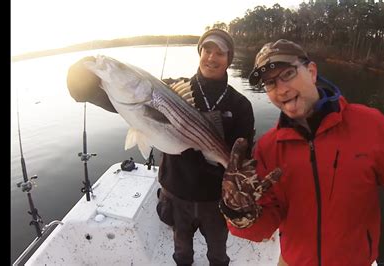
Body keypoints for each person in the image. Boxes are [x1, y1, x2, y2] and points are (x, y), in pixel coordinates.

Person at [218, 39, 384, 266]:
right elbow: (263, 227)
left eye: (287, 74)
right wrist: (239, 213)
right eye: (270, 83)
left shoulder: (370, 123)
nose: (281, 89)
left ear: (312, 71)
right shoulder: (268, 148)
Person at [66, 29, 255, 266]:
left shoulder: (240, 104)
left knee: (218, 254)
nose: (212, 57)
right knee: (181, 253)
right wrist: (81, 80)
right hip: (176, 193)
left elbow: (243, 153)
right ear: (200, 52)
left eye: (220, 52)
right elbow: (104, 98)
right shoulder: (170, 88)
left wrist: (237, 184)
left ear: (229, 58)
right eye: (207, 50)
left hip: (215, 199)